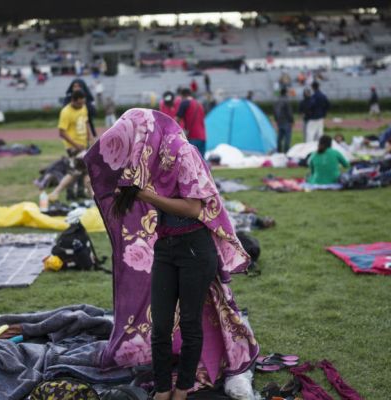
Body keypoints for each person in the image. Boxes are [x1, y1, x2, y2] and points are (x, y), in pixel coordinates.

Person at [85, 109, 258, 400]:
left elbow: (194, 208)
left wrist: (147, 195)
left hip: (194, 248)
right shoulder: (148, 156)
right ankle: (163, 389)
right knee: (161, 325)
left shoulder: (183, 152)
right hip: (166, 247)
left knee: (190, 324)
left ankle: (181, 390)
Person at [49, 90, 92, 201]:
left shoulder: (83, 107)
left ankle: (92, 195)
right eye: (79, 103)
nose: (81, 105)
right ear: (73, 100)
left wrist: (90, 138)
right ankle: (56, 192)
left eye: (83, 103)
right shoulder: (66, 112)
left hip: (83, 145)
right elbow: (62, 132)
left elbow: (86, 123)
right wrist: (76, 145)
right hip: (73, 147)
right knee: (77, 171)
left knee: (84, 171)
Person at [176, 88, 207, 156]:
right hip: (203, 136)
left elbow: (176, 120)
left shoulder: (185, 103)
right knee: (201, 162)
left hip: (193, 136)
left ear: (183, 95)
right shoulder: (199, 104)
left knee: (192, 161)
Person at [273, 87, 294, 153]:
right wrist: (292, 120)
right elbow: (289, 112)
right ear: (286, 93)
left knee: (280, 137)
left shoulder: (277, 100)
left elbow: (274, 111)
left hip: (279, 121)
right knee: (287, 137)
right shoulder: (286, 100)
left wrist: (276, 120)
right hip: (286, 121)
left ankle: (279, 150)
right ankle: (286, 151)